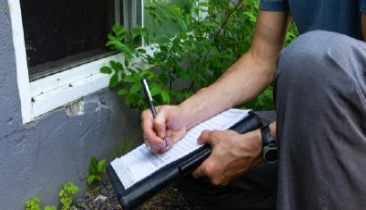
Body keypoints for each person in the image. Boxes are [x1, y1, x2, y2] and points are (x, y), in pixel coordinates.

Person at [142, 0, 366, 209]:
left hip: (354, 127)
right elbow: (260, 59)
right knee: (193, 164)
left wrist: (261, 145)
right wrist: (185, 113)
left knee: (310, 59)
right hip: (314, 118)